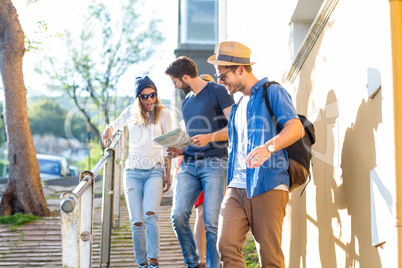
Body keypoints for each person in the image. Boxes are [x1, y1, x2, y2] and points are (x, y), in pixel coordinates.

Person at [208, 41, 305, 267]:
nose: (221, 83)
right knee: (226, 246)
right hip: (237, 185)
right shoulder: (238, 106)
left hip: (268, 183)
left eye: (223, 77)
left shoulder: (272, 92)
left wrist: (268, 147)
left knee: (269, 256)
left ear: (240, 69)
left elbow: (295, 127)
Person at [165, 56, 234, 268]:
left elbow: (233, 127)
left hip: (214, 163)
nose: (176, 86)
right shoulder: (187, 103)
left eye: (176, 81)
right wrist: (181, 148)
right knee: (177, 216)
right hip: (189, 164)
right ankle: (193, 263)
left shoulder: (218, 91)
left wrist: (210, 137)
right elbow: (193, 136)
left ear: (186, 76)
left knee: (211, 222)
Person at [101, 76, 172, 268]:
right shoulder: (131, 112)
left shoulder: (164, 114)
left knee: (150, 214)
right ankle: (141, 263)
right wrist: (107, 130)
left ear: (156, 94)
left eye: (152, 95)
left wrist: (168, 173)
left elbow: (168, 145)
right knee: (136, 221)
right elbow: (114, 125)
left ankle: (154, 262)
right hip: (132, 172)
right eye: (144, 96)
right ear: (138, 98)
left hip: (154, 172)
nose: (149, 99)